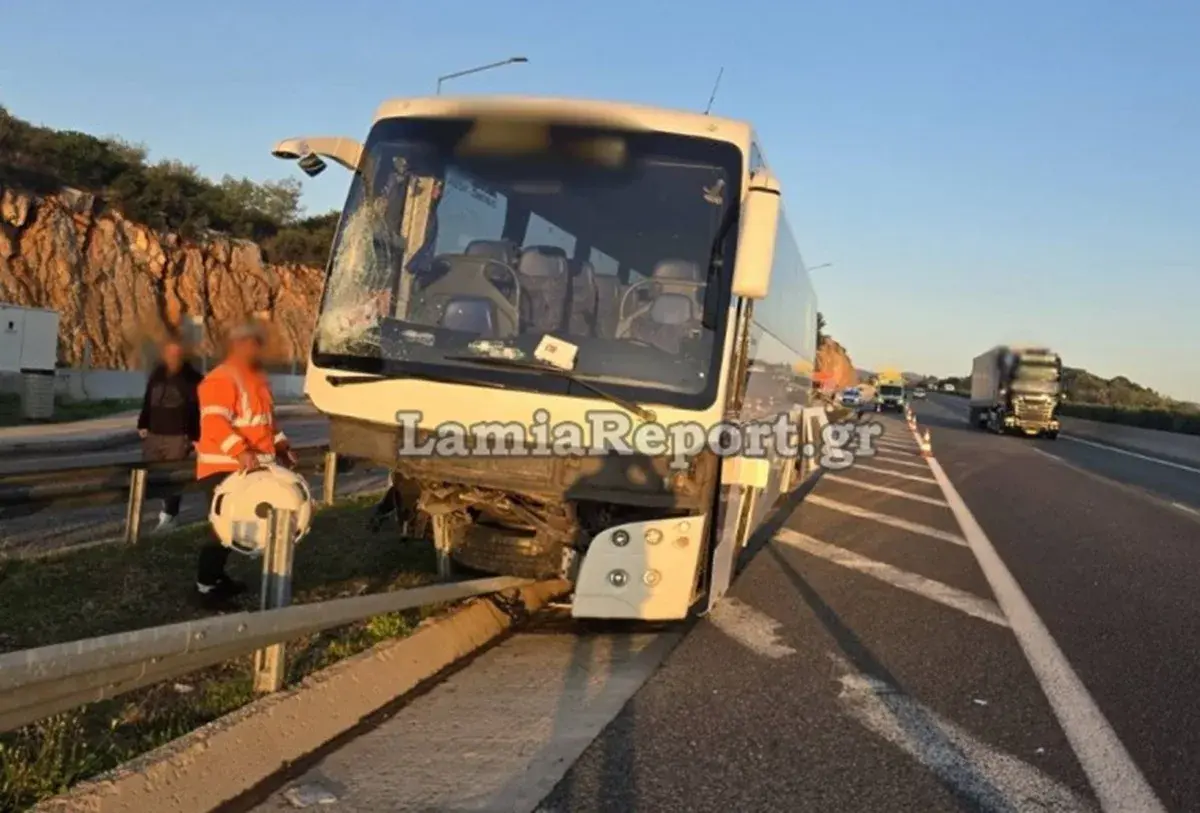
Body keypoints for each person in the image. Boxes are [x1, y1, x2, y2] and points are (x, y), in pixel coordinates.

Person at [193, 321, 298, 608]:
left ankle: (217, 579)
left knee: (238, 528)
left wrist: (281, 445)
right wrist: (239, 451)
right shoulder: (221, 379)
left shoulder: (257, 381)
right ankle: (205, 588)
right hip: (223, 468)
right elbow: (213, 422)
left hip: (249, 469)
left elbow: (264, 423)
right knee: (223, 528)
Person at [137, 333, 203, 533]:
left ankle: (169, 516)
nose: (172, 354)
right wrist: (143, 423)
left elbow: (197, 409)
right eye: (169, 350)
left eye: (177, 350)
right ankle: (159, 511)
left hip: (178, 435)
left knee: (173, 478)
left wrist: (195, 436)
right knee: (153, 476)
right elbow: (148, 399)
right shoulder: (157, 373)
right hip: (154, 434)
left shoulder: (193, 378)